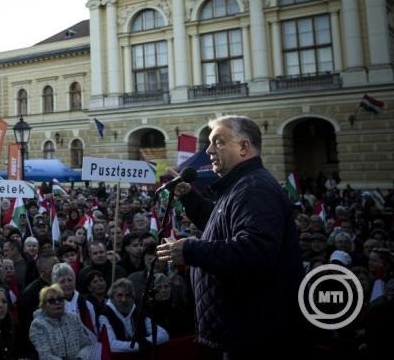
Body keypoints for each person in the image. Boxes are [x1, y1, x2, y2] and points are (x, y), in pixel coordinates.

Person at [157, 115, 304, 357]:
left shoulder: (254, 188)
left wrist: (190, 250)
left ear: (243, 147)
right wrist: (189, 197)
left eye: (218, 142)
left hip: (256, 335)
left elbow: (254, 251)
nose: (209, 149)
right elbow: (221, 227)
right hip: (243, 330)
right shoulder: (242, 184)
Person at [98, 277, 169, 354]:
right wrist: (138, 346)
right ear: (112, 297)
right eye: (119, 295)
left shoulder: (139, 313)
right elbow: (111, 344)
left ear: (132, 298)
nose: (124, 299)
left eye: (127, 295)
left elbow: (163, 334)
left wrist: (145, 341)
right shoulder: (104, 316)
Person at [29, 284, 95, 360]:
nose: (57, 302)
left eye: (60, 299)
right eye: (51, 300)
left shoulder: (74, 318)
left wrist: (80, 358)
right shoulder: (37, 325)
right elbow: (45, 355)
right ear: (43, 305)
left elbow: (87, 345)